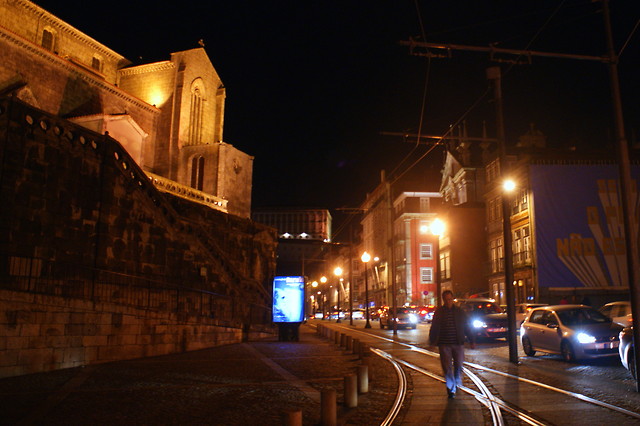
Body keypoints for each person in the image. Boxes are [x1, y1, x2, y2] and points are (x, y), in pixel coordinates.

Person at [429, 290, 475, 399]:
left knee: (459, 364)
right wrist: (432, 341)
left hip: (458, 342)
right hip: (444, 343)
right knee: (447, 367)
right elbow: (434, 327)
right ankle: (450, 388)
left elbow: (466, 326)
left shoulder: (459, 311)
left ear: (452, 299)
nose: (448, 301)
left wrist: (471, 339)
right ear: (443, 300)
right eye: (446, 300)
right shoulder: (439, 312)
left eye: (449, 299)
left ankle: (456, 379)